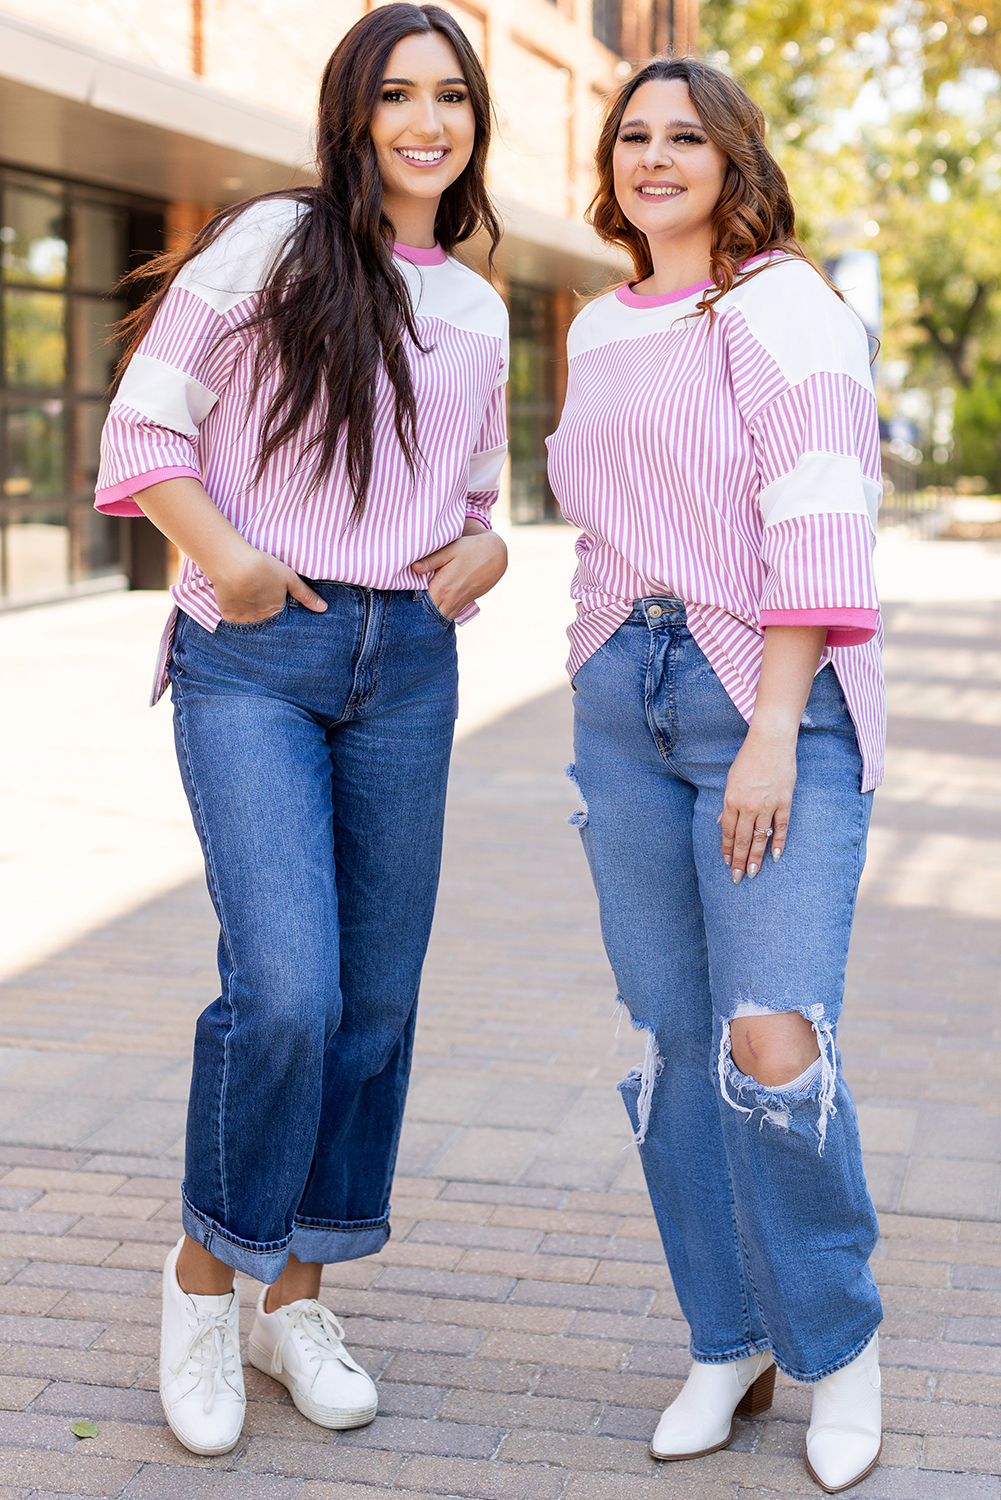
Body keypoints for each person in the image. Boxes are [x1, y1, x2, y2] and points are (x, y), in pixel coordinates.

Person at [94, 3, 508, 1458]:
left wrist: (485, 554)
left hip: (406, 663)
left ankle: (295, 1304)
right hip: (254, 654)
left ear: (474, 123)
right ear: (351, 113)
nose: (423, 120)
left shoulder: (475, 304)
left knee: (375, 1005)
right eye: (395, 94)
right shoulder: (268, 248)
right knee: (287, 991)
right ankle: (206, 1284)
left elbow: (470, 502)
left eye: (448, 95)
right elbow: (142, 434)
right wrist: (240, 563)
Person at [546, 56, 884, 1495]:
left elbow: (817, 511)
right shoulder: (591, 325)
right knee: (674, 1045)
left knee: (770, 1036)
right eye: (632, 138)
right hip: (623, 696)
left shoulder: (781, 305)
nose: (654, 157)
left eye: (685, 135)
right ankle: (724, 1337)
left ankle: (836, 1343)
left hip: (767, 698)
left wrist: (768, 721)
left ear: (732, 156)